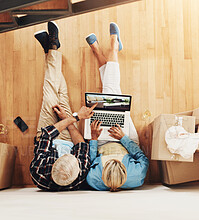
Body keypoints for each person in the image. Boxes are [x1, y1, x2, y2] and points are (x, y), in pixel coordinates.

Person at [30, 21, 97, 191]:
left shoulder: (39, 172)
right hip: (69, 138)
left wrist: (75, 117)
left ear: (53, 163)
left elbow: (46, 135)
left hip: (47, 137)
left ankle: (52, 48)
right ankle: (51, 49)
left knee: (50, 94)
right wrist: (68, 120)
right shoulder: (79, 173)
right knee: (61, 95)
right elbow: (81, 145)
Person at [85, 23, 149, 192]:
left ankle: (107, 50)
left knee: (111, 93)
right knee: (112, 93)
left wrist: (93, 138)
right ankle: (113, 47)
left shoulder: (94, 181)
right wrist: (123, 138)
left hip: (101, 142)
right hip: (125, 141)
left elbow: (91, 161)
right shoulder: (136, 177)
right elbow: (142, 157)